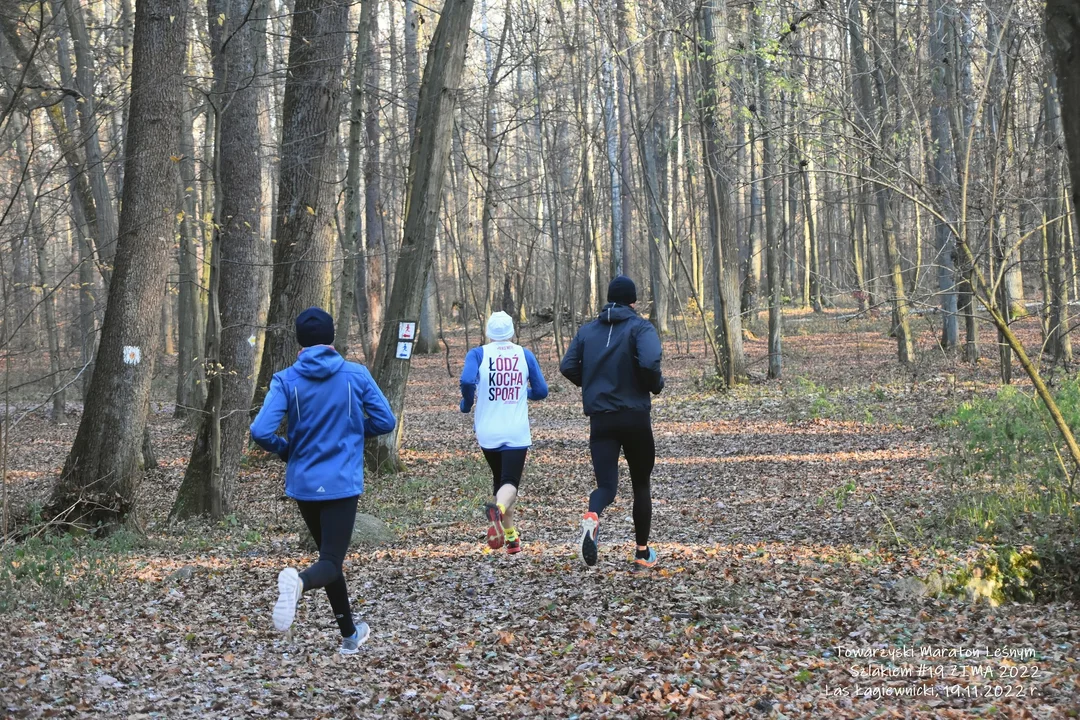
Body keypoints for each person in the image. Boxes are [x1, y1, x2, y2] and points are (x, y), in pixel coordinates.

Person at [250, 307, 396, 655]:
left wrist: (286, 449)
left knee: (329, 561)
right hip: (342, 481)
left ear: (299, 341)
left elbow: (260, 430)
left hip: (304, 483)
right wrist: (354, 434)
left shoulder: (286, 379)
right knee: (329, 562)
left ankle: (349, 634)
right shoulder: (355, 374)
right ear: (332, 337)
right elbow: (385, 420)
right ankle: (299, 583)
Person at [559, 276, 665, 570]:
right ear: (633, 301)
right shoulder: (640, 327)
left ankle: (592, 516)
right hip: (634, 418)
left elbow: (567, 366)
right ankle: (642, 553)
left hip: (601, 420)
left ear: (608, 299)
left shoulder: (587, 331)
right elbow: (649, 362)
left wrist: (592, 384)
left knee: (606, 486)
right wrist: (654, 385)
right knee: (641, 484)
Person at [460, 311, 548, 554]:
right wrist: (523, 392)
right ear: (511, 332)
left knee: (501, 482)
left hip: (487, 431)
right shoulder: (524, 354)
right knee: (510, 483)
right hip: (515, 430)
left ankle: (511, 539)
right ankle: (497, 512)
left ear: (488, 333)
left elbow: (467, 381)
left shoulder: (478, 354)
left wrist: (467, 404)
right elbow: (541, 391)